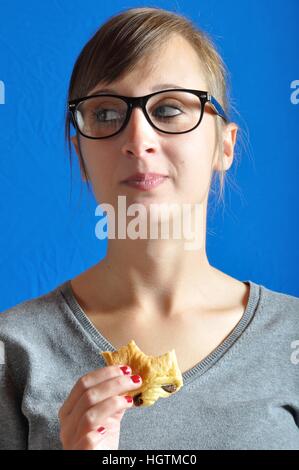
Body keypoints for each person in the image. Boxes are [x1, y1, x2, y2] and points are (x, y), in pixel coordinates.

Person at [1, 6, 299, 451]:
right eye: (104, 113)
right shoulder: (13, 351)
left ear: (225, 146)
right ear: (80, 154)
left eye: (170, 107)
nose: (138, 139)